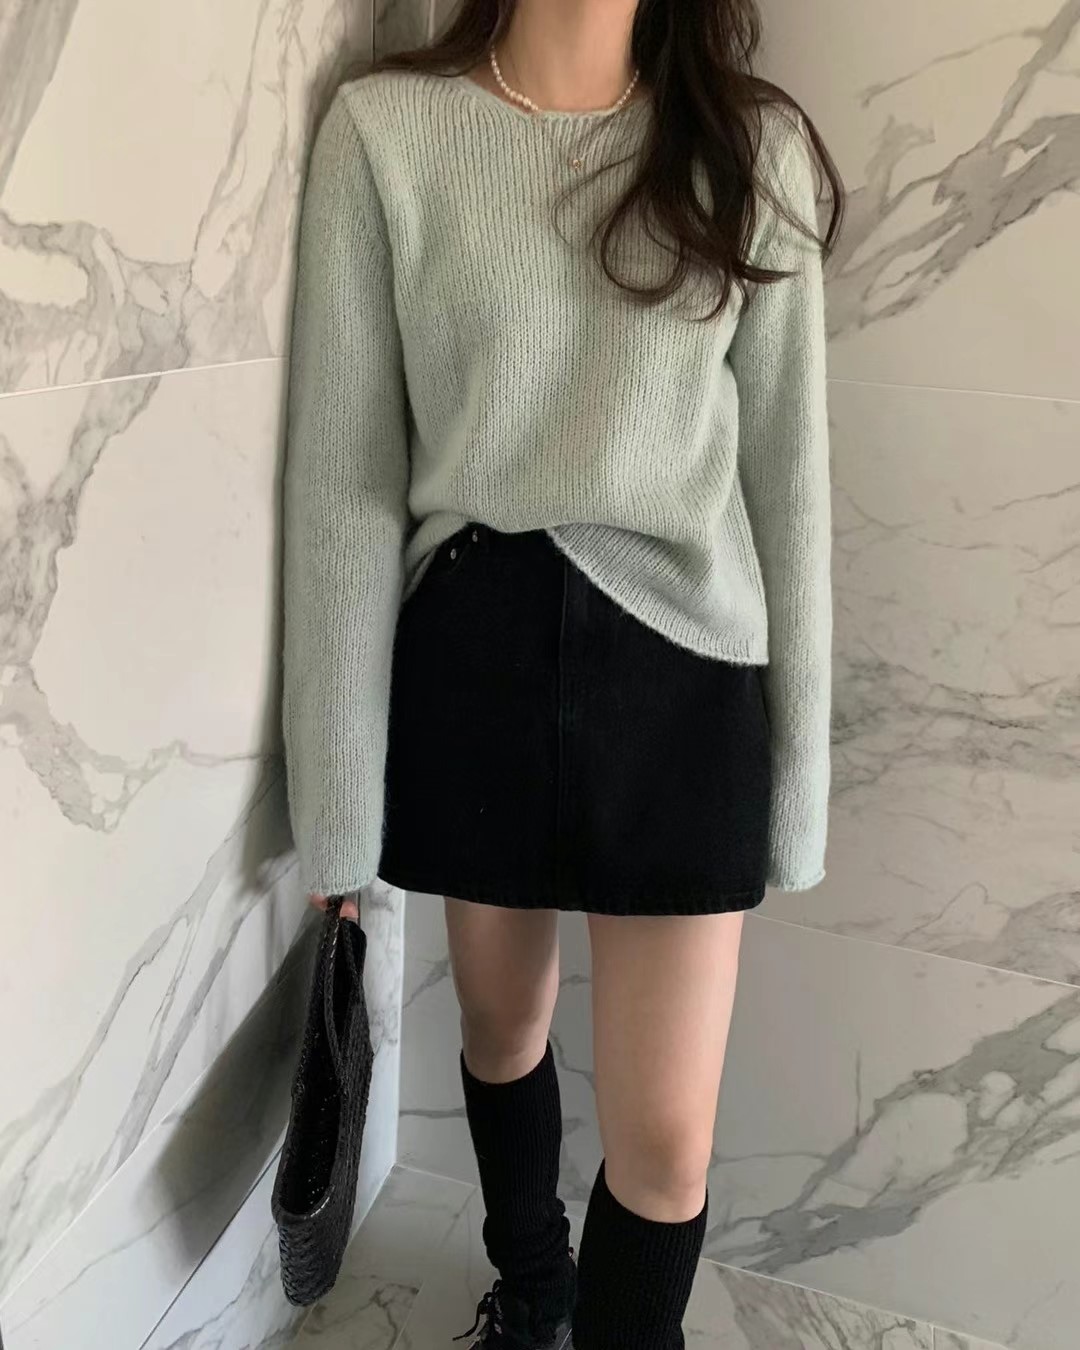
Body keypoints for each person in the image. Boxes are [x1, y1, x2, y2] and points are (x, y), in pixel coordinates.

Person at [282, 1, 843, 1346]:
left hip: (688, 683)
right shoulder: (387, 132)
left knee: (666, 1141)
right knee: (498, 1029)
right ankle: (532, 1294)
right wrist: (337, 813)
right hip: (473, 661)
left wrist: (798, 788)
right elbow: (345, 480)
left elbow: (791, 481)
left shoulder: (747, 150)